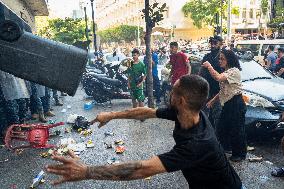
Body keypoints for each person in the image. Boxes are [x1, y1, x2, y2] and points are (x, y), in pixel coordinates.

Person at [46, 75, 242, 189]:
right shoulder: (187, 113)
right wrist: (111, 115)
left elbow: (141, 169)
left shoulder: (198, 144)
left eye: (173, 91)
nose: (168, 93)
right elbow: (146, 112)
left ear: (181, 100)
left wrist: (87, 171)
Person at [203, 49, 247, 162]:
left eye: (222, 58)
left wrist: (209, 66)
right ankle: (226, 148)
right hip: (228, 103)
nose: (220, 61)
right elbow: (222, 90)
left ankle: (240, 154)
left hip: (236, 103)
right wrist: (212, 101)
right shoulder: (226, 71)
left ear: (229, 60)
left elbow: (217, 78)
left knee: (237, 129)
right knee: (222, 127)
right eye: (219, 58)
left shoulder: (234, 71)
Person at [199, 35, 223, 129]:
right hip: (206, 90)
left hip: (218, 91)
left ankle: (217, 138)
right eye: (211, 43)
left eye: (215, 43)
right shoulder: (207, 56)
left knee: (217, 116)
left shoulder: (223, 57)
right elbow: (201, 71)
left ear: (221, 44)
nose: (212, 45)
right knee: (204, 115)